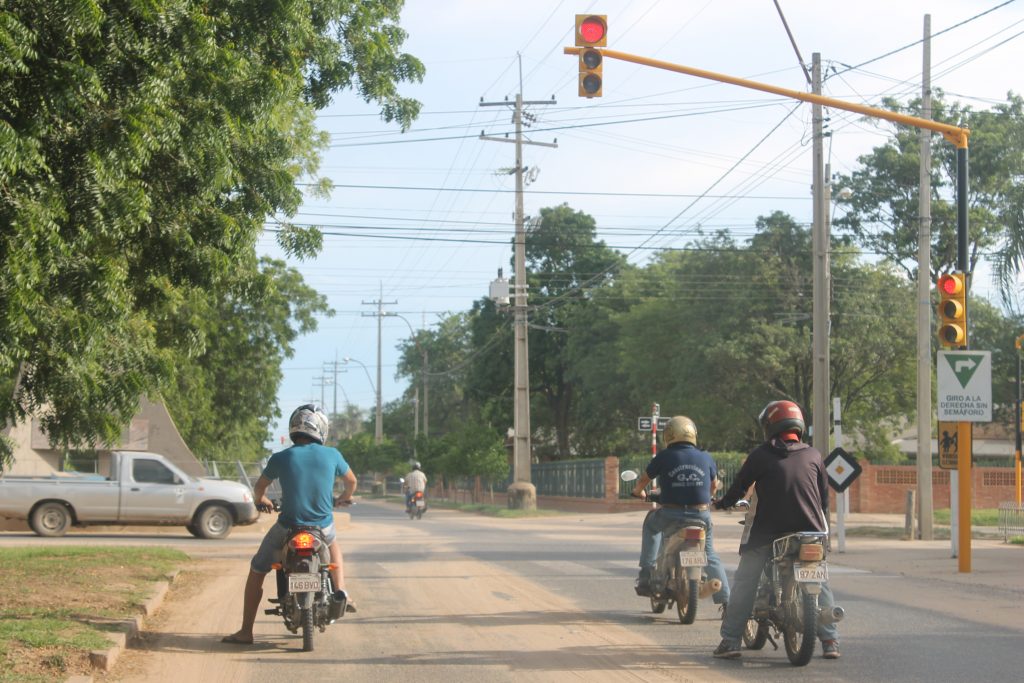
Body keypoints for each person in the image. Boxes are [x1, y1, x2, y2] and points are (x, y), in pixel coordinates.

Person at [711, 400, 841, 660]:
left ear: (770, 426)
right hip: (811, 531)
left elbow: (739, 487)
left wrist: (722, 504)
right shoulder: (813, 455)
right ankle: (830, 641)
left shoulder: (760, 455)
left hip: (768, 533)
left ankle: (731, 640)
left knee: (746, 580)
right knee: (817, 577)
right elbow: (823, 498)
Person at [222, 404, 357, 645]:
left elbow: (259, 488)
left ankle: (245, 632)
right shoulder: (333, 455)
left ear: (294, 428)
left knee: (257, 569)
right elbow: (351, 481)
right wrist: (344, 498)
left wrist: (261, 501)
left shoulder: (281, 457)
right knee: (334, 543)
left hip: (288, 527)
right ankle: (342, 590)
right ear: (321, 429)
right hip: (321, 528)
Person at [632, 415, 730, 615]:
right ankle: (727, 600)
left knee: (651, 524)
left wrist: (638, 491)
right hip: (701, 515)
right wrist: (707, 498)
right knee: (709, 553)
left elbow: (644, 479)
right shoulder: (705, 457)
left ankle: (646, 572)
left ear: (668, 435)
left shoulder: (664, 456)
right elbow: (713, 485)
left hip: (671, 513)